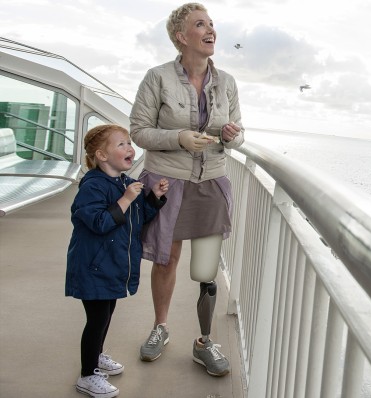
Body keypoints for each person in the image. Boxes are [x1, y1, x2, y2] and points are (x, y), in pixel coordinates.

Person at [129, 2, 244, 377]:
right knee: (166, 259)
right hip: (167, 181)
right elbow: (139, 131)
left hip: (211, 182)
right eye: (201, 24)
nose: (211, 30)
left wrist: (231, 135)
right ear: (182, 37)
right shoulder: (157, 77)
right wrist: (179, 138)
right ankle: (161, 328)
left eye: (212, 24)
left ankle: (205, 342)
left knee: (207, 268)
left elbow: (239, 133)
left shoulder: (226, 82)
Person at [66, 124, 168, 398]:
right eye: (121, 144)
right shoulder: (93, 186)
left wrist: (153, 199)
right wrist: (125, 198)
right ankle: (87, 376)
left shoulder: (123, 183)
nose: (129, 149)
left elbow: (137, 218)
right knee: (97, 319)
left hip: (110, 266)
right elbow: (98, 222)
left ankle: (96, 356)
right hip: (94, 266)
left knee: (106, 314)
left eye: (129, 144)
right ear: (101, 155)